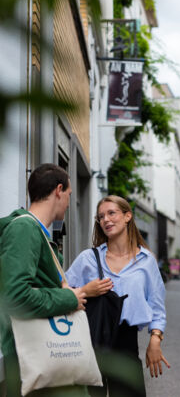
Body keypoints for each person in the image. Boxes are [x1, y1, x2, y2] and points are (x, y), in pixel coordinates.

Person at [65, 195, 170, 397]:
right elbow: (61, 293)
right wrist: (86, 290)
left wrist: (155, 339)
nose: (105, 219)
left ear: (127, 216)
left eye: (111, 213)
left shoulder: (146, 261)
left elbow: (157, 306)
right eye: (101, 216)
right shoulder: (88, 258)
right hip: (90, 342)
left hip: (126, 344)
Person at [0, 163, 88, 397]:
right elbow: (15, 297)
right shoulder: (25, 230)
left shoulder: (36, 231)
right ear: (58, 190)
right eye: (69, 194)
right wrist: (68, 298)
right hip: (31, 361)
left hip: (41, 358)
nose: (69, 203)